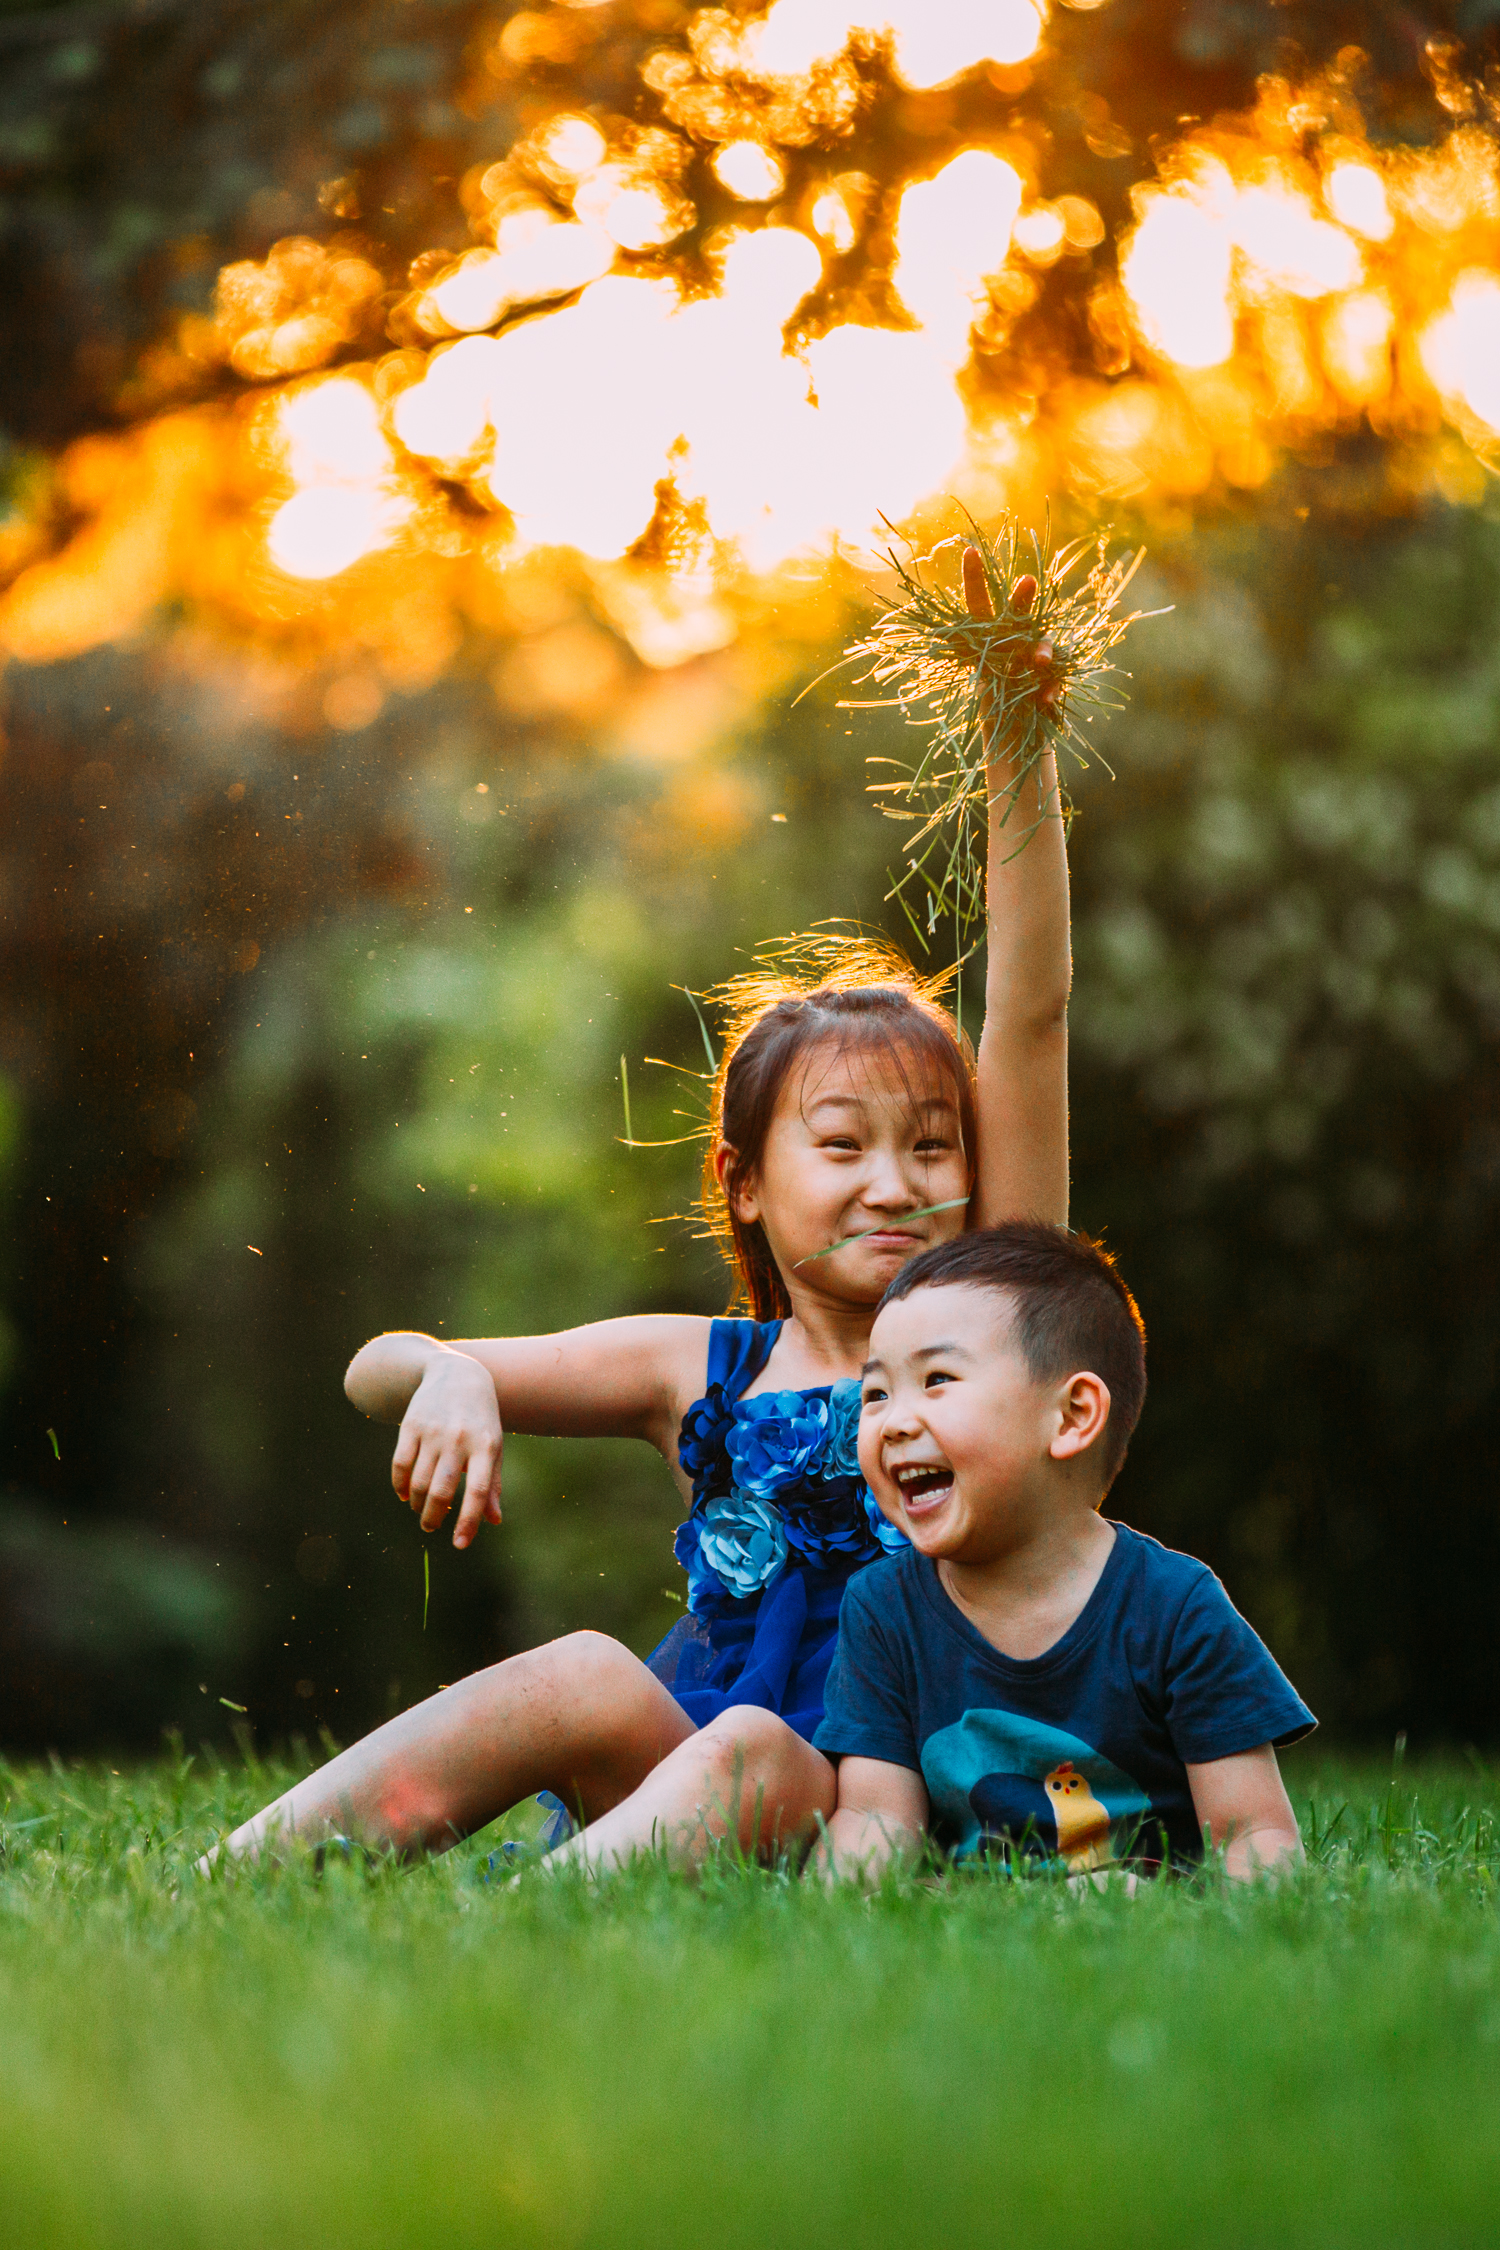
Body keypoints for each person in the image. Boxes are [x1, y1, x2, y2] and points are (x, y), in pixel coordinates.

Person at [210, 551, 1075, 1868]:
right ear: (744, 1180)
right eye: (842, 1144)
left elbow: (1032, 1018)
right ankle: (246, 1879)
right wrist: (448, 1373)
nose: (894, 1180)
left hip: (892, 1803)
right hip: (695, 1786)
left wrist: (1019, 740)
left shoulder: (998, 1320)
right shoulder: (702, 1366)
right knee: (579, 1670)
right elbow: (370, 1369)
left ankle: (516, 1940)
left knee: (753, 1749)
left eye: (933, 1143)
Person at [810, 1223, 1314, 1883]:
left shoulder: (1174, 1607)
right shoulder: (883, 1609)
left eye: (936, 1379)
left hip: (1143, 1928)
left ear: (1073, 1415)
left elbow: (1256, 1833)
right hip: (964, 1941)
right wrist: (842, 1906)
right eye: (876, 1392)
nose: (895, 1421)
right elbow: (874, 1822)